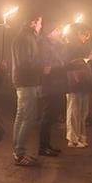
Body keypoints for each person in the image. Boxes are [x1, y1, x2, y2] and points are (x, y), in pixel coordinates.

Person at [11, 13, 44, 166]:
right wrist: (42, 67)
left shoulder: (24, 37)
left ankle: (17, 150)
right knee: (29, 117)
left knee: (21, 116)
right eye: (39, 23)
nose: (41, 26)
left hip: (23, 81)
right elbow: (25, 62)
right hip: (27, 82)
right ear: (32, 23)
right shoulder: (25, 38)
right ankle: (19, 152)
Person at [64, 23, 92, 148]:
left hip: (84, 82)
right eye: (84, 34)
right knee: (74, 110)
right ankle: (72, 139)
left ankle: (81, 136)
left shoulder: (84, 45)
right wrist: (86, 59)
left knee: (83, 111)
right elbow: (68, 63)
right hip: (73, 82)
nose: (86, 37)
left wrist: (88, 59)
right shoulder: (69, 46)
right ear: (78, 33)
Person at [38, 25, 67, 157]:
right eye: (57, 29)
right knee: (47, 116)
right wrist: (63, 68)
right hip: (50, 85)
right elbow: (47, 68)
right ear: (50, 32)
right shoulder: (44, 45)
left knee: (52, 116)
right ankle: (42, 147)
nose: (60, 32)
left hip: (57, 84)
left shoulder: (56, 45)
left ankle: (47, 144)